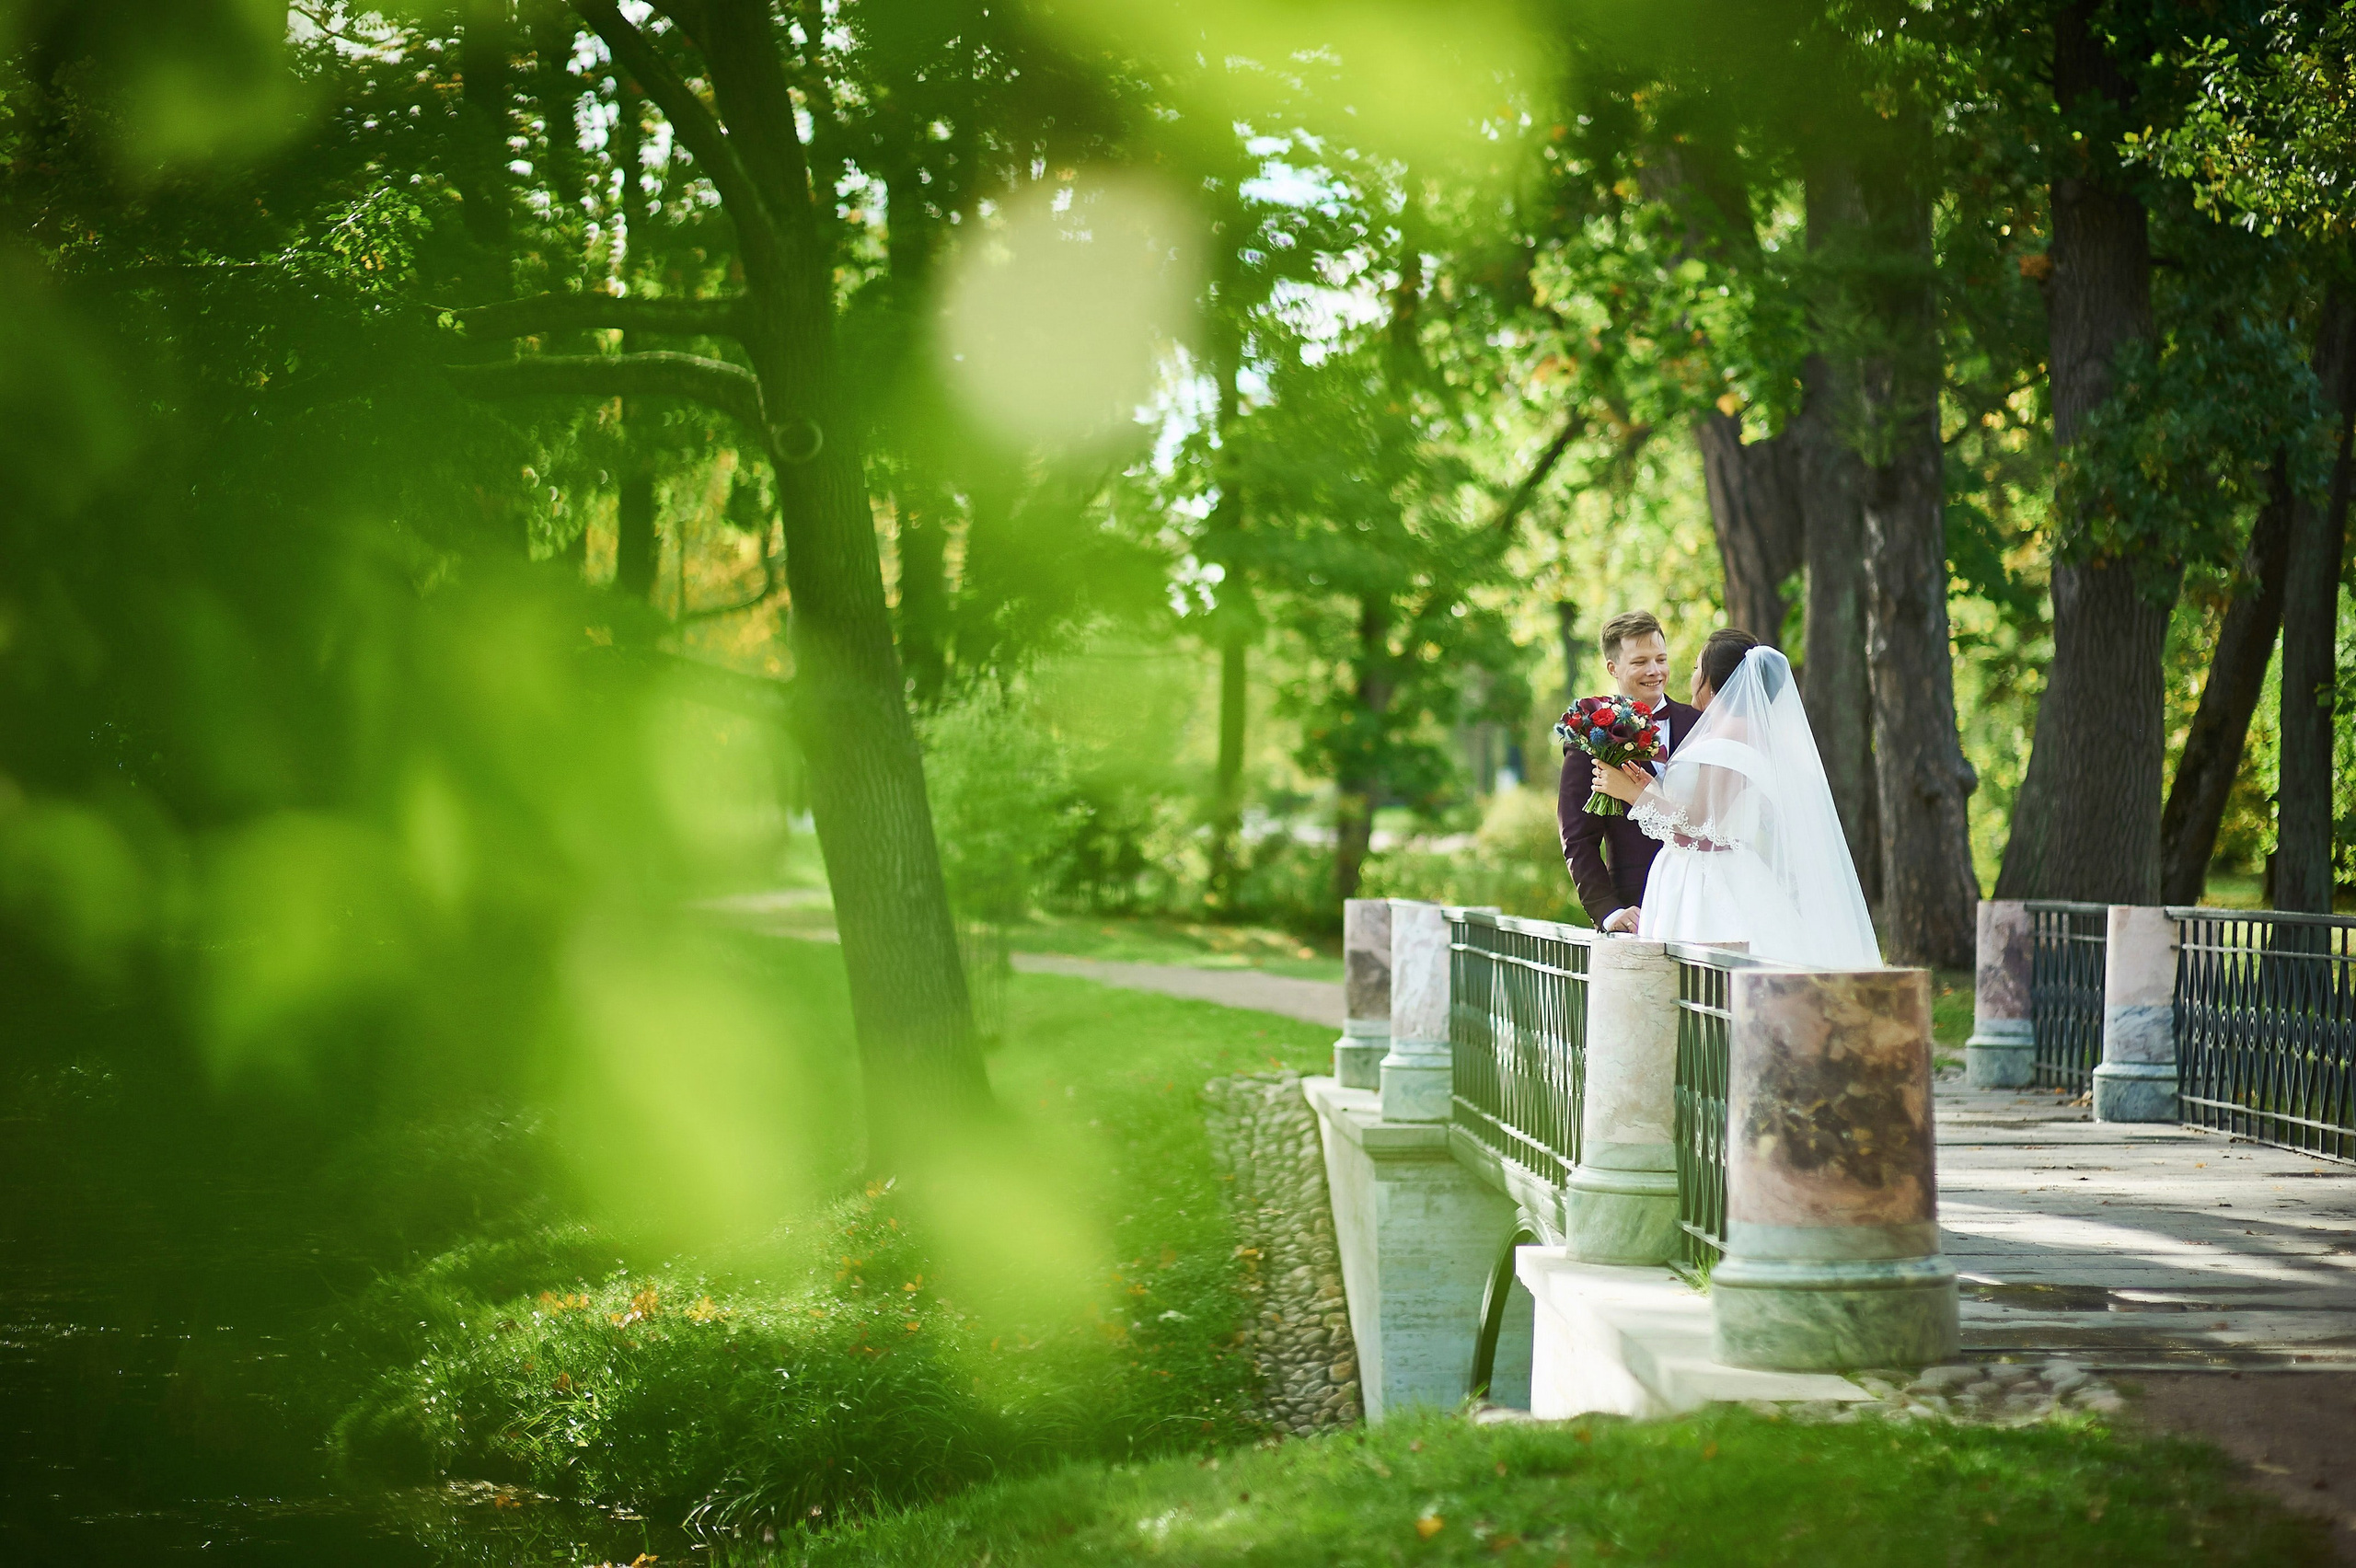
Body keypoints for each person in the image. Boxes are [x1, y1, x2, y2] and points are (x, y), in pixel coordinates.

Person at [1588, 628, 1881, 969]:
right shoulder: (1733, 731)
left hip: (1705, 880)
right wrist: (1650, 789)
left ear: (1713, 681)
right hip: (1708, 868)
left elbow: (1700, 823)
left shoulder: (1730, 735)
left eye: (1698, 668)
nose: (1693, 676)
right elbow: (1711, 810)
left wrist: (1632, 795)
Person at [1556, 610, 1704, 934]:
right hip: (1638, 909)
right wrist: (1607, 910)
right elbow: (1577, 837)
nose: (1655, 671)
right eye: (1640, 662)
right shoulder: (1590, 731)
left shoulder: (1700, 724)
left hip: (1705, 903)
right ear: (1613, 668)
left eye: (1661, 659)